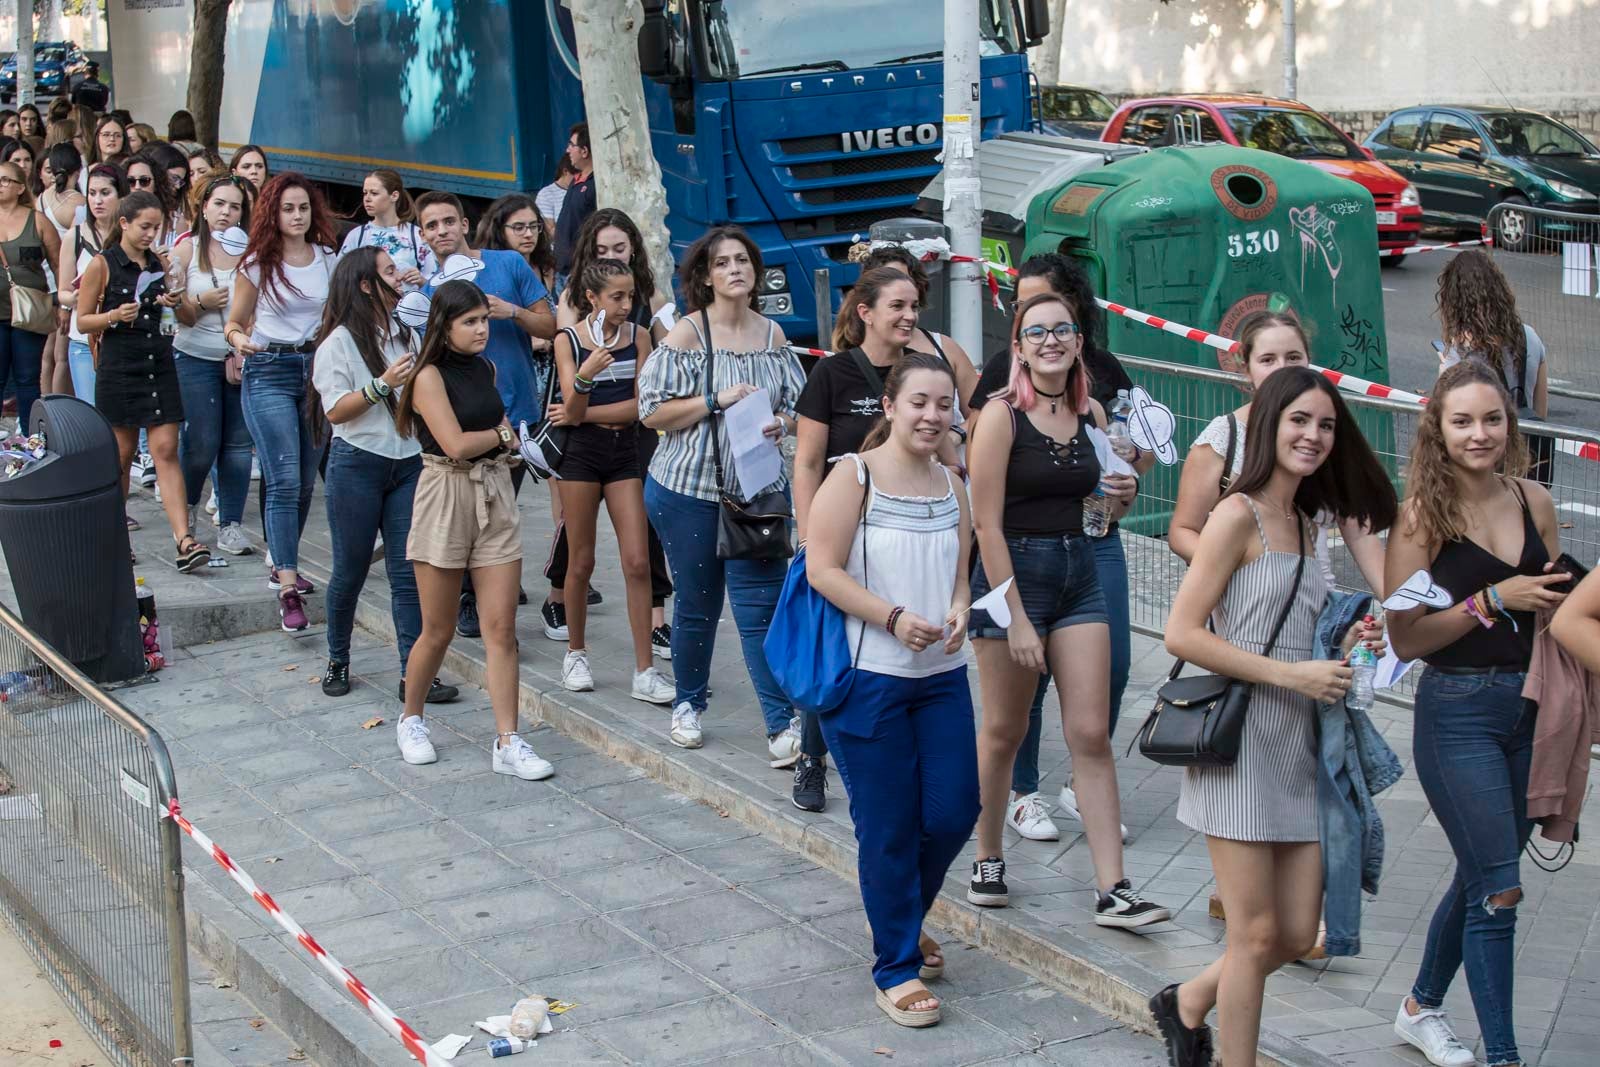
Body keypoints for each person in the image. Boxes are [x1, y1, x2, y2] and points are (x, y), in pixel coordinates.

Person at [1154, 365, 1395, 1067]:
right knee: (1254, 935)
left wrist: (1348, 639)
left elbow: (1297, 627)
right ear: (1268, 424)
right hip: (1240, 743)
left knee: (1292, 933)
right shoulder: (1238, 514)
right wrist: (1294, 673)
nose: (1314, 435)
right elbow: (1182, 633)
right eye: (1299, 420)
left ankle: (1189, 1000)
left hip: (1303, 745)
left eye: (1325, 424)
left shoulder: (1307, 520)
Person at [1384, 361, 1568, 1067]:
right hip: (1457, 713)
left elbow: (1562, 606)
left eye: (1492, 418)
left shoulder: (1534, 502)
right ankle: (1505, 1056)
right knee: (1499, 887)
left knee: (1481, 872)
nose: (1479, 433)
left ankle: (1419, 1004)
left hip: (1531, 707)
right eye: (1462, 420)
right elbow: (1405, 638)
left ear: (1509, 424)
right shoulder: (1423, 517)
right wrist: (1491, 601)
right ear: (1438, 427)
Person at [966, 292, 1166, 925]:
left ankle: (1115, 889)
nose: (1051, 341)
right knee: (1006, 730)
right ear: (1018, 348)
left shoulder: (1094, 416)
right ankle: (989, 854)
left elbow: (1101, 517)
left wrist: (1125, 495)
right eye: (1036, 332)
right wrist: (1016, 617)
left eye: (1063, 330)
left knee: (1090, 732)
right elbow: (986, 524)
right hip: (1013, 577)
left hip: (1079, 572)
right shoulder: (1000, 417)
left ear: (1079, 342)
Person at [805, 353, 977, 1029]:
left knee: (955, 809)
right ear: (890, 407)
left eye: (943, 405)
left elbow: (962, 569)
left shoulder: (953, 484)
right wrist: (893, 617)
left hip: (941, 678)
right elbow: (821, 568)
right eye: (919, 403)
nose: (933, 415)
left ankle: (902, 916)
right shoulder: (853, 477)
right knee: (889, 826)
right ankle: (895, 966)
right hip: (868, 677)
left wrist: (961, 606)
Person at [790, 266, 963, 812]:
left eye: (915, 306)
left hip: (905, 528)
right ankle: (812, 758)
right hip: (841, 529)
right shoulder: (833, 373)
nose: (910, 316)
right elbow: (810, 460)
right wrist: (807, 532)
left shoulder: (926, 375)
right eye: (898, 306)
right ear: (865, 313)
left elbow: (952, 451)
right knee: (835, 650)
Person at [638, 225, 805, 761]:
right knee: (698, 604)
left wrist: (781, 421)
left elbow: (801, 407)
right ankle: (688, 704)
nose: (735, 269)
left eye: (743, 261)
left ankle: (782, 726)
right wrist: (715, 399)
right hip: (687, 489)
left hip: (758, 494)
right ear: (705, 278)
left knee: (762, 610)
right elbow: (651, 411)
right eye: (722, 263)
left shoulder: (773, 336)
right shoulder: (688, 334)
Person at [391, 279, 553, 780]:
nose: (482, 329)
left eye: (484, 319)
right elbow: (456, 444)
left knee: (501, 627)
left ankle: (508, 738)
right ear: (445, 325)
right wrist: (504, 435)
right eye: (470, 321)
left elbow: (496, 429)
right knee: (437, 629)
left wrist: (509, 442)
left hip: (494, 491)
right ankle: (411, 718)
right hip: (445, 493)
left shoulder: (487, 366)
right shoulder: (427, 377)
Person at [310, 247, 458, 706]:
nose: (401, 277)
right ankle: (337, 658)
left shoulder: (405, 332)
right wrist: (383, 384)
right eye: (389, 271)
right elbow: (336, 410)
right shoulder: (336, 343)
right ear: (366, 285)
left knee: (405, 573)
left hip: (408, 462)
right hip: (356, 462)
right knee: (350, 569)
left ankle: (413, 675)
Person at [414, 190, 555, 635]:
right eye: (432, 226)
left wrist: (511, 312)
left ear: (465, 224)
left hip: (516, 408)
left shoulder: (508, 264)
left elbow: (551, 325)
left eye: (449, 222)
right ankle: (472, 597)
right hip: (463, 420)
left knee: (501, 504)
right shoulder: (427, 292)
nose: (442, 232)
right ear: (422, 236)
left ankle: (491, 582)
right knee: (473, 509)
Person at [547, 257, 676, 704]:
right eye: (616, 297)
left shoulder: (639, 337)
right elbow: (572, 405)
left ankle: (645, 669)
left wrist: (580, 409)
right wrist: (586, 375)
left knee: (638, 560)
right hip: (579, 456)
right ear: (591, 299)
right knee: (580, 561)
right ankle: (576, 653)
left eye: (630, 296)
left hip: (625, 453)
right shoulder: (568, 340)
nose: (626, 305)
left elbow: (641, 406)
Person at [225, 172, 340, 632]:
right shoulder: (256, 264)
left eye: (303, 208)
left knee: (306, 481)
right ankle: (288, 585)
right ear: (272, 213)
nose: (296, 216)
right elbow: (233, 322)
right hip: (268, 369)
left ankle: (282, 560)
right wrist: (240, 342)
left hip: (316, 373)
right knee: (284, 478)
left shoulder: (330, 259)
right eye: (288, 208)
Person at [75, 190, 204, 569]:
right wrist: (114, 316)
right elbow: (82, 320)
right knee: (121, 455)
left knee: (165, 450)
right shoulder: (103, 264)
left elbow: (189, 318)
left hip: (159, 362)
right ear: (125, 224)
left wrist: (175, 301)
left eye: (157, 227)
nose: (151, 234)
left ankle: (184, 539)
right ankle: (115, 537)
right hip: (119, 366)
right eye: (145, 227)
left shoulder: (161, 265)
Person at [172, 174, 254, 557]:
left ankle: (231, 525)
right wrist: (203, 302)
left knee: (238, 446)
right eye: (219, 203)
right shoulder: (187, 250)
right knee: (202, 441)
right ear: (203, 207)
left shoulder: (252, 253)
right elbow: (178, 315)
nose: (225, 212)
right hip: (194, 357)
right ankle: (185, 511)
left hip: (239, 360)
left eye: (234, 206)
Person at [1435, 248, 1551, 482]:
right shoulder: (1530, 336)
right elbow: (1541, 410)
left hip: (1481, 469)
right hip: (1526, 462)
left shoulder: (1459, 352)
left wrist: (1443, 372)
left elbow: (1444, 419)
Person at [0, 160, 62, 431]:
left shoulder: (37, 220)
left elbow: (59, 263)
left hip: (30, 312)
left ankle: (30, 437)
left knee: (28, 378)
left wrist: (61, 303)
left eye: (4, 180)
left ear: (20, 186)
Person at [58, 162, 122, 403]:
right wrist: (75, 297)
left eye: (105, 193)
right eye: (92, 194)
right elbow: (62, 292)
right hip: (84, 339)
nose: (98, 200)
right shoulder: (74, 236)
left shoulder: (131, 236)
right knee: (92, 415)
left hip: (121, 339)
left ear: (120, 195)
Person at [36, 142, 81, 396]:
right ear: (79, 170)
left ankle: (45, 406)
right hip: (69, 282)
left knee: (47, 355)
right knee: (62, 355)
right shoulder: (79, 203)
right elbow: (78, 247)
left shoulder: (41, 198)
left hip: (46, 281)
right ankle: (60, 413)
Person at [339, 169, 431, 289]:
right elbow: (339, 278)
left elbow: (434, 280)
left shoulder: (416, 235)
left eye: (374, 193)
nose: (367, 198)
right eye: (365, 193)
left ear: (394, 196)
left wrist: (421, 281)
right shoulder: (357, 236)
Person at [553, 122, 595, 280]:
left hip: (578, 272)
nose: (567, 150)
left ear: (584, 151)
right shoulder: (576, 179)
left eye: (571, 145)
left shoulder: (595, 185)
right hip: (562, 268)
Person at [535, 155, 574, 241]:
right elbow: (550, 231)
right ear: (565, 171)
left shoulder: (581, 190)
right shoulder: (546, 194)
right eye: (576, 176)